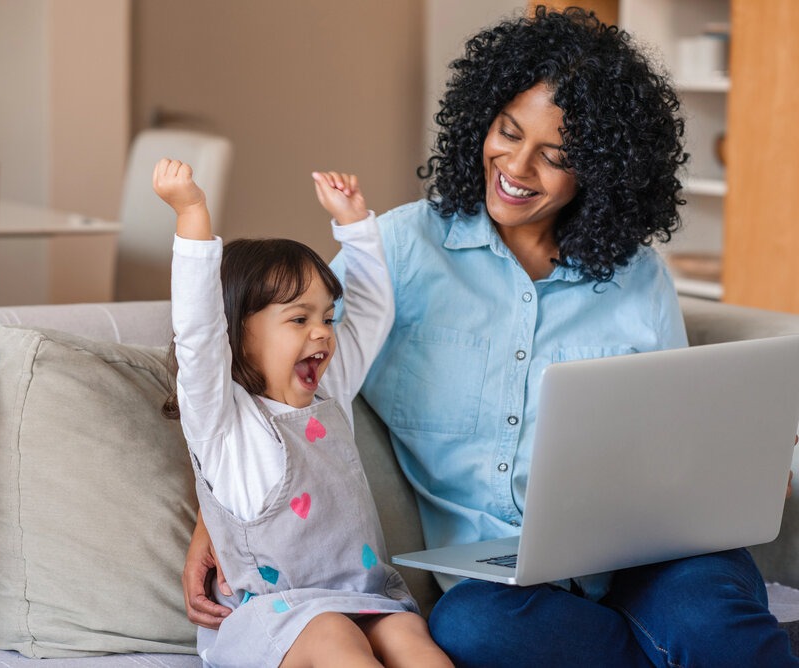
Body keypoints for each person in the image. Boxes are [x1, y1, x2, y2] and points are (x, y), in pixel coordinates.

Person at [182, 6, 799, 666]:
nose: (518, 166)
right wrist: (214, 519)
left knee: (705, 616)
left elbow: (678, 430)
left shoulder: (637, 277)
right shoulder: (397, 251)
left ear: (602, 171)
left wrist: (750, 465)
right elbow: (277, 373)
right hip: (507, 583)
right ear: (481, 119)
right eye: (507, 132)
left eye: (555, 156)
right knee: (472, 630)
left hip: (653, 555)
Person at [153, 157, 452, 667]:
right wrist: (192, 214)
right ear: (236, 336)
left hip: (365, 599)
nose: (322, 332)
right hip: (276, 621)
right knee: (334, 634)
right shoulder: (225, 424)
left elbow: (373, 313)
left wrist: (356, 226)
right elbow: (199, 333)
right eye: (299, 318)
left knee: (408, 632)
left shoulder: (327, 393)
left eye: (326, 318)